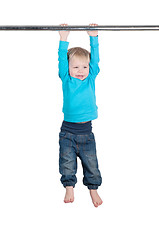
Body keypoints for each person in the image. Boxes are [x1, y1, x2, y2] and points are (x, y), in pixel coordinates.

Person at [58, 23, 102, 207]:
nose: (81, 71)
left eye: (84, 67)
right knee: (67, 162)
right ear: (68, 69)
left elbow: (95, 61)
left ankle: (93, 189)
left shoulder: (91, 77)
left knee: (91, 164)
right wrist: (63, 39)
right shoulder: (66, 78)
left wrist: (94, 37)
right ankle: (69, 186)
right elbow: (62, 59)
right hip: (67, 132)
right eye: (76, 67)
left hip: (86, 133)